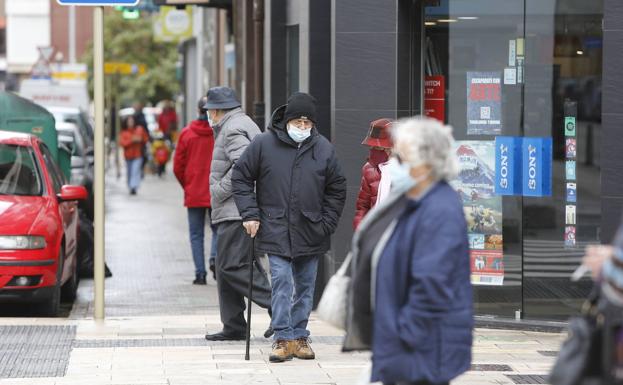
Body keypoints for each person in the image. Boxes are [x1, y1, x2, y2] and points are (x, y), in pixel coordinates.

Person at [343, 116, 473, 385]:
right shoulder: (412, 199)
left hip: (420, 348)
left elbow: (432, 285)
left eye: (401, 158)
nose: (394, 164)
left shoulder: (439, 209)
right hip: (401, 344)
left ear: (425, 161)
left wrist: (402, 338)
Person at [232, 92, 347, 363]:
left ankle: (299, 336)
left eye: (308, 124)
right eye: (298, 122)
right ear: (287, 120)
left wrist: (328, 222)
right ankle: (282, 337)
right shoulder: (263, 143)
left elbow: (337, 188)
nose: (303, 128)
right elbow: (241, 177)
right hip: (274, 225)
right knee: (282, 281)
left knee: (306, 286)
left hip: (311, 228)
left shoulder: (323, 148)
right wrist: (250, 214)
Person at [206, 86, 273, 341]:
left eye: (209, 111)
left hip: (235, 210)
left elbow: (243, 166)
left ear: (216, 110)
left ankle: (278, 308)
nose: (208, 115)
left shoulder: (232, 129)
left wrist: (219, 190)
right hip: (238, 210)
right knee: (227, 268)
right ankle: (233, 324)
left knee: (232, 266)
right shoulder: (240, 123)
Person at [174, 97, 216, 285]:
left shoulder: (187, 134)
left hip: (194, 192)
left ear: (197, 110)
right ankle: (214, 258)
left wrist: (188, 184)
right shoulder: (219, 133)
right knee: (219, 230)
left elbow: (177, 166)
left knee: (196, 234)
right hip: (216, 191)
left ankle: (200, 274)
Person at [353, 118, 393, 229]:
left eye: (377, 147)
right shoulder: (369, 169)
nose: (372, 150)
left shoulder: (410, 171)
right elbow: (362, 207)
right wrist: (360, 231)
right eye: (371, 147)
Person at [119, 115, 149, 195]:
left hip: (138, 155)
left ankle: (133, 186)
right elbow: (122, 143)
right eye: (129, 121)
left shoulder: (139, 129)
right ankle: (130, 186)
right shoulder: (124, 132)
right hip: (128, 156)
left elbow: (146, 139)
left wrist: (141, 139)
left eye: (132, 121)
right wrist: (132, 140)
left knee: (135, 171)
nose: (130, 123)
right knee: (129, 172)